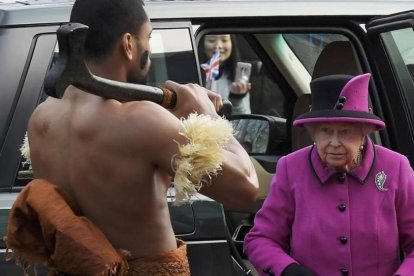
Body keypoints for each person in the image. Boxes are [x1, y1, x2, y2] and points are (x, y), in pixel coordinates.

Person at [5, 0, 259, 275]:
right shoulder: (142, 120)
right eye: (147, 37)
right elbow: (245, 189)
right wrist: (209, 115)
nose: (148, 48)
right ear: (128, 44)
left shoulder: (42, 118)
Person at [243, 73, 414, 276]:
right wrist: (288, 270)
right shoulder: (292, 168)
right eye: (325, 130)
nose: (333, 142)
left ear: (364, 132)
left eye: (345, 132)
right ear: (313, 131)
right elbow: (261, 239)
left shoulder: (395, 167)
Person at [199, 34, 252, 115]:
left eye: (224, 40)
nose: (218, 46)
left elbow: (244, 118)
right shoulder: (194, 73)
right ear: (202, 44)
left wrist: (236, 98)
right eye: (211, 40)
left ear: (232, 44)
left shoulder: (237, 78)